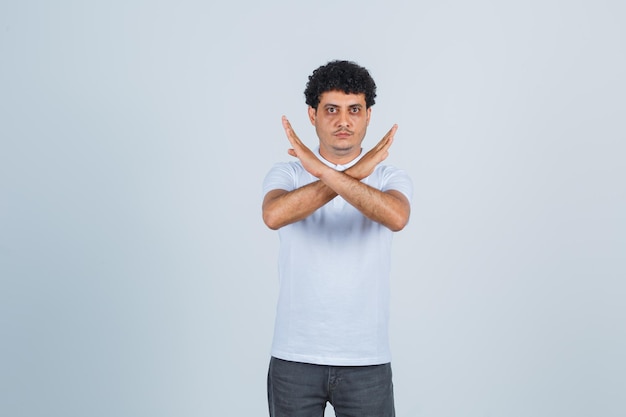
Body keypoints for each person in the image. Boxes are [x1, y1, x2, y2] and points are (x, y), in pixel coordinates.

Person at [262, 60, 412, 417]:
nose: (343, 121)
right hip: (294, 358)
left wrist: (322, 171)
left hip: (366, 359)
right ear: (312, 114)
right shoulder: (287, 172)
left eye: (353, 110)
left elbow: (396, 217)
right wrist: (352, 173)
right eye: (331, 110)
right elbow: (274, 215)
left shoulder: (390, 175)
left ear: (367, 115)